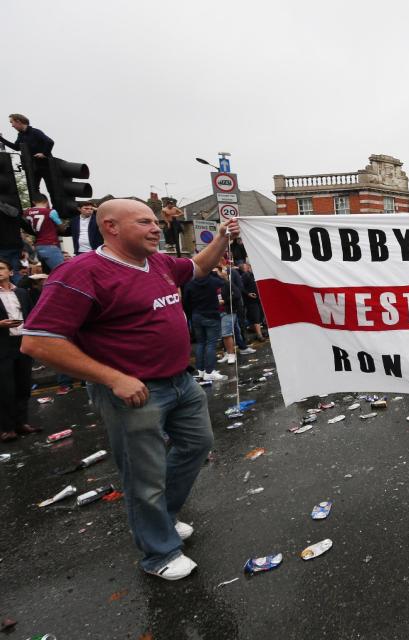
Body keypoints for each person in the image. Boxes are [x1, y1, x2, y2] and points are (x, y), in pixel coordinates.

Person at [21, 199, 240, 581]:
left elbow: (198, 266)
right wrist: (112, 378)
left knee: (197, 445)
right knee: (144, 473)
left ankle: (161, 520)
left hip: (180, 380)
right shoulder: (81, 274)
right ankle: (158, 553)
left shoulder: (158, 263)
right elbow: (39, 342)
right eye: (144, 222)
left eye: (156, 221)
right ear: (111, 227)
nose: (157, 228)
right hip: (133, 391)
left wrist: (221, 237)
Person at [0, 257, 39, 442]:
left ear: (10, 272)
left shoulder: (22, 292)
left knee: (23, 385)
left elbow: (32, 314)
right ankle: (6, 428)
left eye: (1, 268)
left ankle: (21, 423)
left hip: (22, 343)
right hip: (2, 345)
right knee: (5, 388)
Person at [182, 270, 228, 382]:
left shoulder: (190, 283)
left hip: (197, 315)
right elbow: (224, 282)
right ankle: (209, 371)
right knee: (211, 344)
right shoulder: (213, 281)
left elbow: (186, 302)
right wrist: (214, 273)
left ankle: (201, 371)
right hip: (211, 315)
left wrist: (191, 314)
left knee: (201, 343)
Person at [0, 114, 54, 200]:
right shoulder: (20, 135)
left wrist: (44, 154)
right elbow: (16, 147)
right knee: (33, 189)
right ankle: (38, 208)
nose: (12, 125)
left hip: (45, 165)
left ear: (18, 121)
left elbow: (50, 142)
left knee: (52, 189)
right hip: (33, 166)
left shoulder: (35, 132)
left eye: (12, 122)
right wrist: (1, 139)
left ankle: (55, 210)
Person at [23, 194, 67, 273]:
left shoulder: (27, 212)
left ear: (33, 202)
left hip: (38, 245)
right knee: (61, 272)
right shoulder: (51, 212)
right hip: (50, 244)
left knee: (47, 273)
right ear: (46, 201)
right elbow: (62, 228)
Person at [240, 262, 266, 342]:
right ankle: (259, 335)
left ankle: (255, 330)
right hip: (251, 301)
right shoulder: (246, 275)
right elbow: (241, 287)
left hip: (258, 299)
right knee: (256, 317)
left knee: (259, 316)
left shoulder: (256, 275)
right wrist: (248, 294)